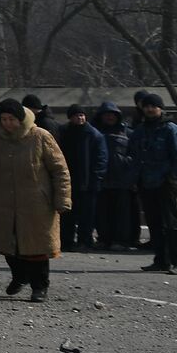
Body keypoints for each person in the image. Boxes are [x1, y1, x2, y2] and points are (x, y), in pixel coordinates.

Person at [0, 98, 72, 302]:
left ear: (20, 119)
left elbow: (60, 169)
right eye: (3, 119)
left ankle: (40, 287)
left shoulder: (40, 136)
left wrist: (63, 197)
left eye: (12, 119)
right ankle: (19, 277)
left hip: (36, 203)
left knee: (37, 247)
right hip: (3, 201)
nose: (8, 123)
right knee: (8, 245)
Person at [131, 90, 177, 275]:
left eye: (154, 106)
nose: (150, 109)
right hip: (146, 183)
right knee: (154, 223)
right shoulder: (140, 131)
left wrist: (172, 177)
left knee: (171, 224)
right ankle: (161, 260)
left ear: (161, 109)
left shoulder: (171, 130)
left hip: (165, 183)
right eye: (147, 106)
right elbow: (134, 157)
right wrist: (135, 178)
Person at [55, 105, 107, 250]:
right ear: (70, 118)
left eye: (82, 115)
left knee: (87, 215)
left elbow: (101, 159)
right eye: (76, 115)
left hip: (88, 182)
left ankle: (85, 241)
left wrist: (96, 178)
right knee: (67, 214)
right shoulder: (64, 132)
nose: (80, 118)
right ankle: (67, 241)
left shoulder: (94, 135)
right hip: (69, 180)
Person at [93, 101, 138, 251]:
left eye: (113, 114)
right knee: (102, 213)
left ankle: (121, 240)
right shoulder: (95, 133)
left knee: (122, 214)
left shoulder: (128, 133)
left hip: (122, 180)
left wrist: (131, 175)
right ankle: (104, 239)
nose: (109, 117)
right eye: (106, 114)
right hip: (102, 179)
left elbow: (135, 155)